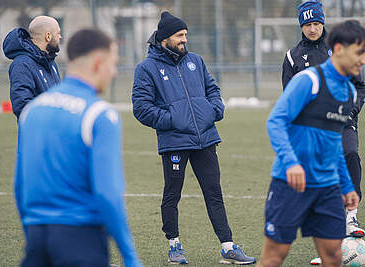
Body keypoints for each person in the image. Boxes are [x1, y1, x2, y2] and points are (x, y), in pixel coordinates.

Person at [132, 11, 256, 265]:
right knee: (172, 193)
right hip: (175, 142)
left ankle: (228, 247)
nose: (184, 40)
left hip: (206, 140)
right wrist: (173, 120)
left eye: (185, 35)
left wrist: (214, 110)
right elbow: (141, 107)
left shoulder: (195, 61)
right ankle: (174, 246)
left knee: (214, 193)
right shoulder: (146, 68)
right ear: (165, 38)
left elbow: (212, 89)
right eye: (179, 35)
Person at [14, 28, 142, 267]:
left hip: (37, 239)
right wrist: (130, 256)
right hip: (82, 241)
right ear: (97, 63)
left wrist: (32, 233)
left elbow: (20, 185)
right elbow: (108, 194)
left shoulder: (32, 111)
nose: (114, 73)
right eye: (113, 64)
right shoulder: (100, 115)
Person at [257, 20, 365, 267]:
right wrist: (292, 163)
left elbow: (333, 143)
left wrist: (348, 186)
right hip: (291, 184)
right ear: (338, 49)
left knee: (334, 257)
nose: (363, 60)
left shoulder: (348, 91)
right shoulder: (309, 81)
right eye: (359, 52)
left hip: (327, 188)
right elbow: (276, 121)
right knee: (274, 256)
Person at [3, 15, 62, 119]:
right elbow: (22, 106)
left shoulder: (51, 62)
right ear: (48, 36)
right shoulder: (22, 65)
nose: (60, 37)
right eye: (58, 33)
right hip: (36, 134)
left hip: (54, 134)